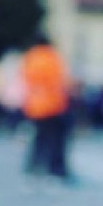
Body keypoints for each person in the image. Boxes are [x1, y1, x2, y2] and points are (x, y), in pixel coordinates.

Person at [21, 35, 73, 183]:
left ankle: (34, 167)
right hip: (53, 106)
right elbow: (61, 81)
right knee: (56, 140)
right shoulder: (52, 57)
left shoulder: (30, 57)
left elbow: (26, 80)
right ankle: (56, 170)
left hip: (34, 106)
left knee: (39, 138)